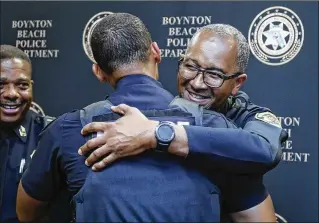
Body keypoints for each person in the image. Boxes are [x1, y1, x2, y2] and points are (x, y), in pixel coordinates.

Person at [16, 14, 283, 222]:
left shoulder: (240, 122)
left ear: (237, 84)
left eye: (214, 75)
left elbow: (263, 149)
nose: (198, 83)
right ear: (158, 54)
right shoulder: (71, 129)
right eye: (190, 66)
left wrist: (157, 134)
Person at [0, 45, 70, 223]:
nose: (11, 94)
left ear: (31, 87)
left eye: (22, 85)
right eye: (1, 85)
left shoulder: (53, 136)